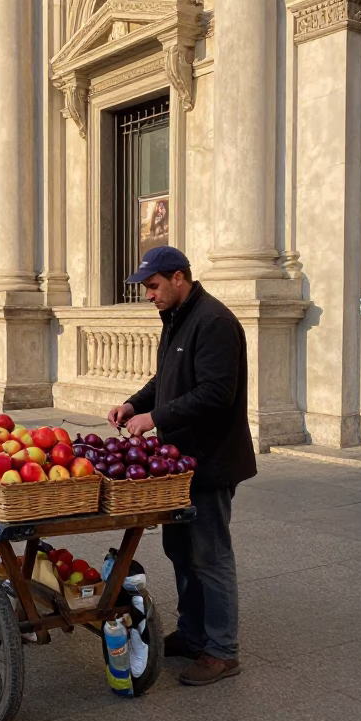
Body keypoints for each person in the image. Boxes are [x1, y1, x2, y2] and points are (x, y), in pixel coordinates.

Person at [107, 246, 256, 688]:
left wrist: (155, 418)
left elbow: (215, 394)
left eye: (153, 286)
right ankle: (192, 634)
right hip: (177, 465)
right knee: (180, 551)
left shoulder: (214, 321)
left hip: (209, 461)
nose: (148, 295)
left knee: (210, 556)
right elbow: (168, 380)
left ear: (178, 277)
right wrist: (136, 403)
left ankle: (222, 651)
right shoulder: (176, 319)